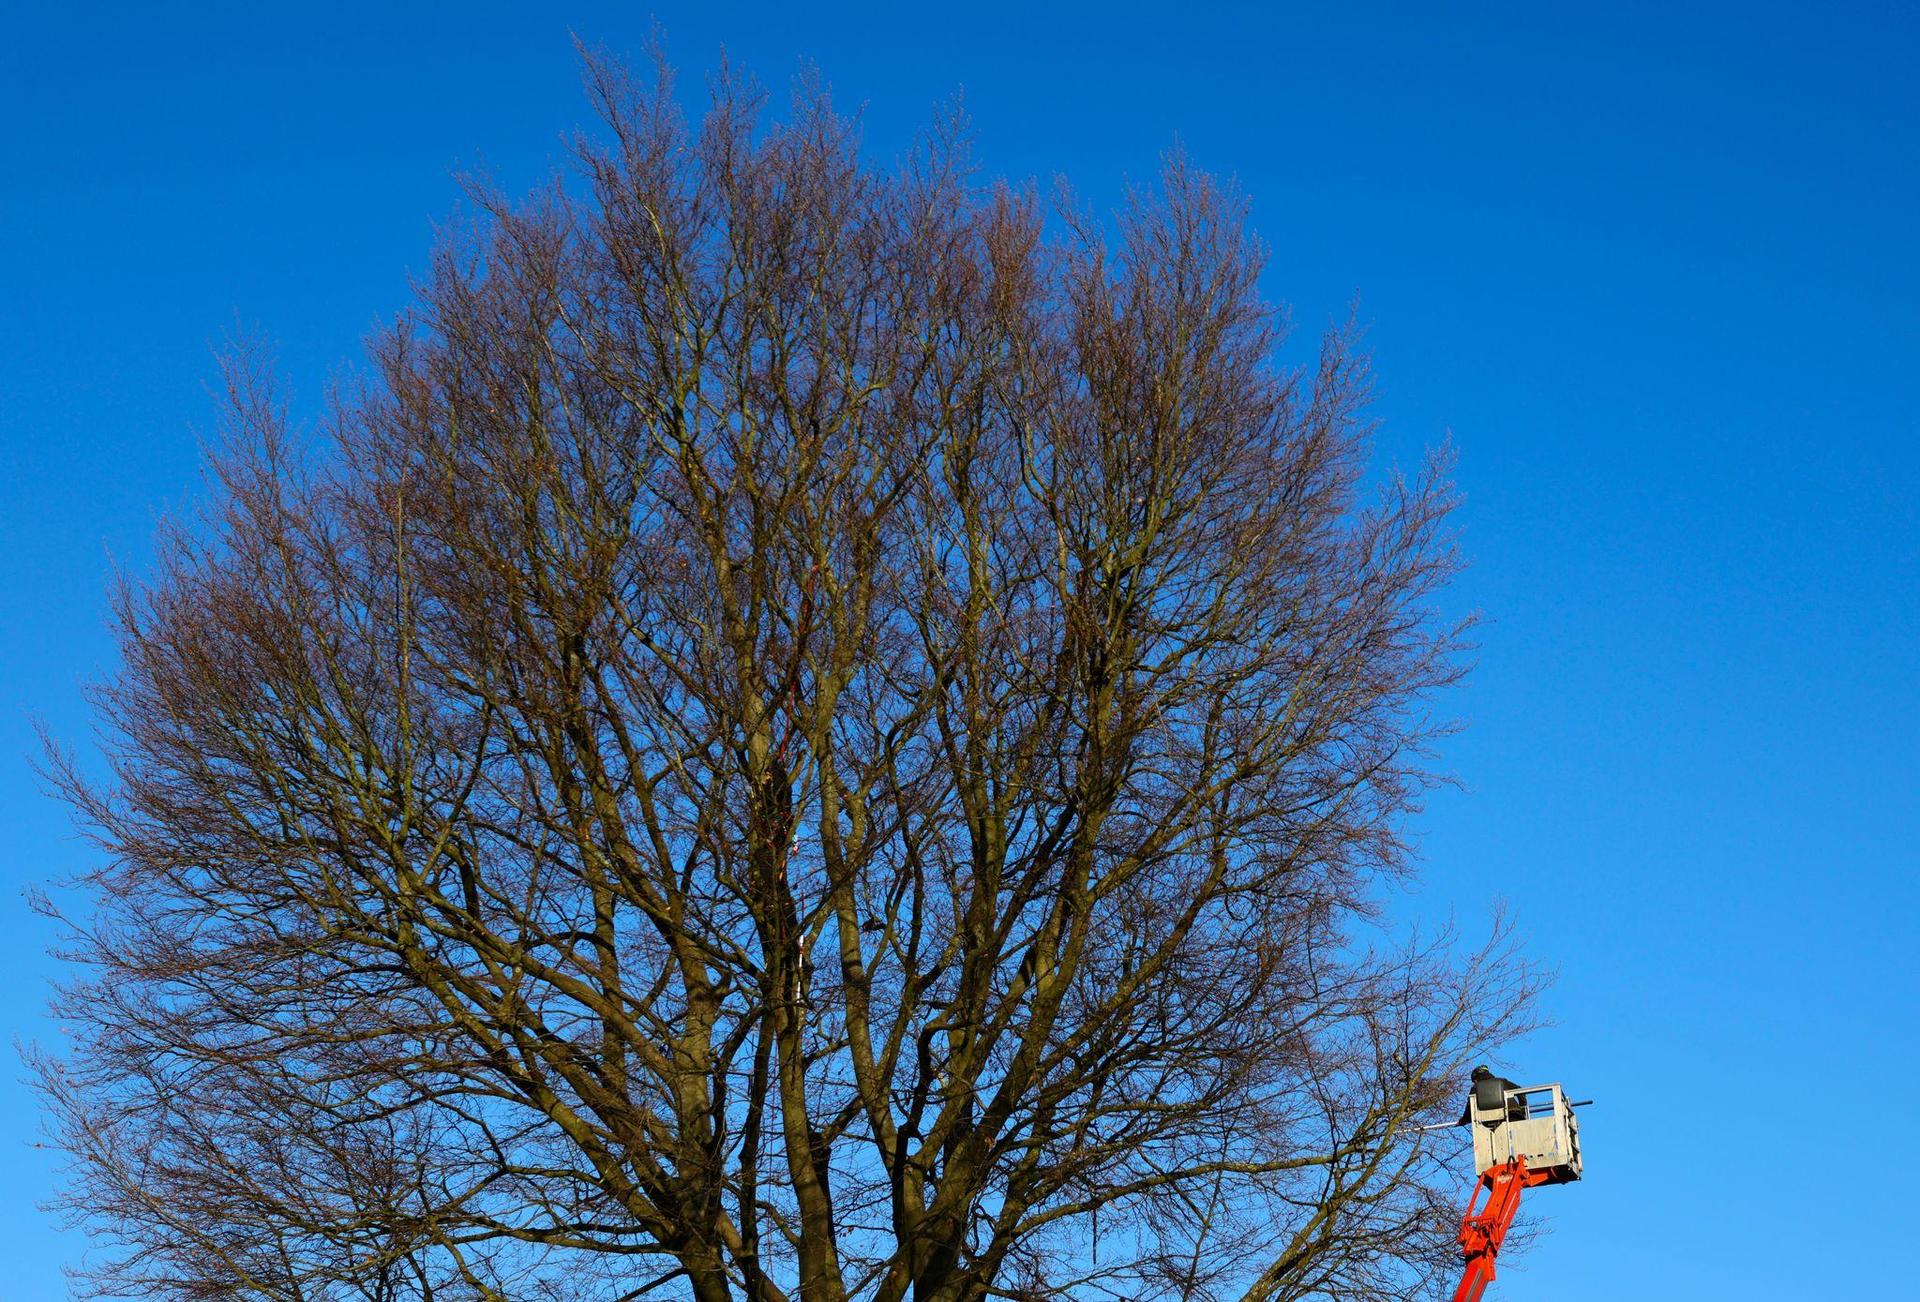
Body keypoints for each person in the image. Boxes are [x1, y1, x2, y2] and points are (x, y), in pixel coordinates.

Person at [1459, 1065, 1526, 1126]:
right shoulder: (1502, 1081)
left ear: (1476, 1078)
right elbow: (1520, 1091)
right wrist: (1523, 1108)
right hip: (1515, 1115)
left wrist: (1464, 1120)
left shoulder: (1475, 1088)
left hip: (1491, 1121)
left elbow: (1470, 1106)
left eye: (1474, 1081)